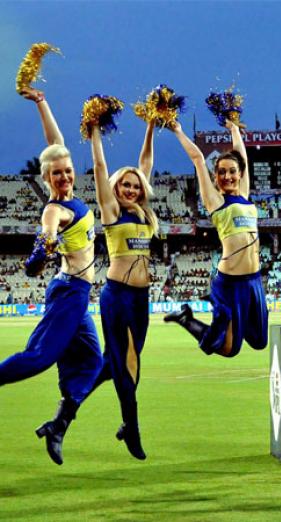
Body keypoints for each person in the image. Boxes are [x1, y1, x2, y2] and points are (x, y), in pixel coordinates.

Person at [0, 87, 103, 465]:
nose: (64, 176)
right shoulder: (55, 210)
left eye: (67, 170)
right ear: (46, 178)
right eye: (56, 173)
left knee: (92, 363)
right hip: (69, 291)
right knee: (40, 357)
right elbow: (47, 232)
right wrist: (41, 250)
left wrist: (42, 102)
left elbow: (55, 142)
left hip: (78, 295)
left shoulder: (71, 193)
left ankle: (58, 425)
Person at [80, 120, 158, 460]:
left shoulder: (144, 214)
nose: (130, 189)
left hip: (141, 299)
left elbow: (146, 163)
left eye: (135, 186)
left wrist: (151, 125)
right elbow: (100, 167)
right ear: (116, 187)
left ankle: (68, 407)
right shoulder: (111, 211)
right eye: (125, 185)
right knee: (125, 366)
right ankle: (132, 428)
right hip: (118, 295)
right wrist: (95, 131)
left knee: (125, 363)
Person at [164, 120, 268, 357]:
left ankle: (220, 310)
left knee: (260, 341)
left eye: (232, 171)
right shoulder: (216, 201)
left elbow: (242, 155)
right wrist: (178, 130)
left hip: (254, 280)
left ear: (240, 173)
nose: (227, 176)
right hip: (230, 283)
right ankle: (187, 319)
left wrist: (234, 130)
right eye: (221, 172)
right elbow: (198, 159)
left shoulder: (244, 195)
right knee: (229, 349)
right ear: (216, 176)